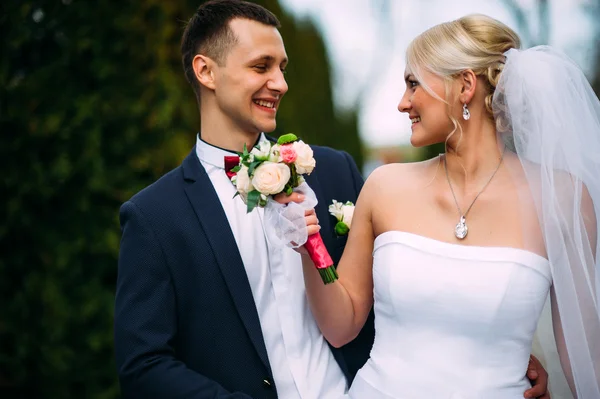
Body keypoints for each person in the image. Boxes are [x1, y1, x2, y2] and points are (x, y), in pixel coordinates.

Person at [287, 14, 600, 399]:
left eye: (413, 83)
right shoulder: (384, 186)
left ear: (465, 85)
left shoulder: (564, 199)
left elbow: (587, 359)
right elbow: (341, 325)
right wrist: (310, 246)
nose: (403, 103)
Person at [113, 1, 374, 398]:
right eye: (261, 66)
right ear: (206, 71)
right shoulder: (154, 217)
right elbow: (144, 364)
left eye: (282, 68)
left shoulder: (335, 172)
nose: (281, 83)